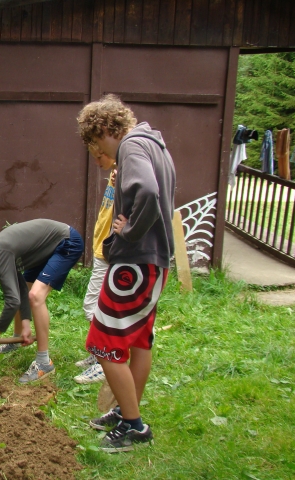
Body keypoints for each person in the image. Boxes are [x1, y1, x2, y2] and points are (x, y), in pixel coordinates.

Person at [76, 94, 176, 452]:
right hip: (155, 261)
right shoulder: (153, 144)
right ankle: (124, 410)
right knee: (139, 341)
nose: (98, 153)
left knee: (103, 344)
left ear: (104, 129)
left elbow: (147, 191)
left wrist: (129, 231)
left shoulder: (131, 146)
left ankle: (134, 427)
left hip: (134, 264)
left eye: (95, 144)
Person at [0, 219, 84, 383]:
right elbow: (19, 288)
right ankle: (17, 338)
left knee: (36, 296)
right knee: (27, 289)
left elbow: (12, 301)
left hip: (66, 242)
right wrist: (26, 324)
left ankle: (44, 362)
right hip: (48, 247)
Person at [73, 148, 117, 385]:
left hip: (111, 250)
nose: (97, 162)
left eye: (100, 156)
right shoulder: (116, 171)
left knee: (95, 307)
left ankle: (104, 361)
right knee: (95, 306)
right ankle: (98, 353)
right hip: (103, 247)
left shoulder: (126, 170)